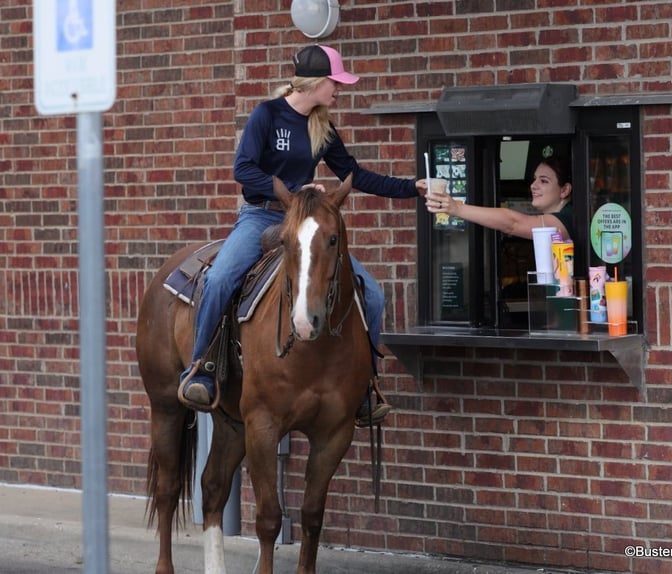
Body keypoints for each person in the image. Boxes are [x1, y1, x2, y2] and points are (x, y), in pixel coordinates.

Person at [179, 44, 428, 426]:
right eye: (335, 82)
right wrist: (290, 191)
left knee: (373, 293)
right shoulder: (267, 115)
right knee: (220, 278)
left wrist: (413, 187)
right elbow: (243, 170)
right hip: (261, 217)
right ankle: (202, 369)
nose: (339, 90)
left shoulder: (322, 126)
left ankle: (366, 386)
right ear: (315, 82)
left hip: (305, 224)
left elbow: (354, 175)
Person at [425, 157, 574, 240]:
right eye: (534, 179)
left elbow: (513, 223)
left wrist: (457, 208)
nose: (533, 185)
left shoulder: (568, 217)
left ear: (565, 190)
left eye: (544, 181)